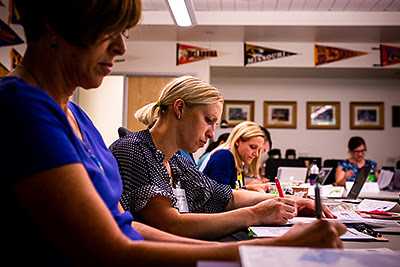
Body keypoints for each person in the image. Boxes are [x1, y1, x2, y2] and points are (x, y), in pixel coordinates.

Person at [0, 0, 346, 265]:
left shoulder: (76, 115)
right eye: (108, 29)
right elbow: (110, 250)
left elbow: (127, 228)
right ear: (53, 24)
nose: (121, 47)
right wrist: (271, 249)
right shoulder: (21, 110)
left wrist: (257, 244)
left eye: (124, 33)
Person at [110, 76, 339, 241]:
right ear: (179, 108)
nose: (212, 133)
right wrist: (256, 214)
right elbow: (171, 224)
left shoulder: (177, 161)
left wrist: (290, 202)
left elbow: (228, 196)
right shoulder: (135, 150)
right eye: (208, 120)